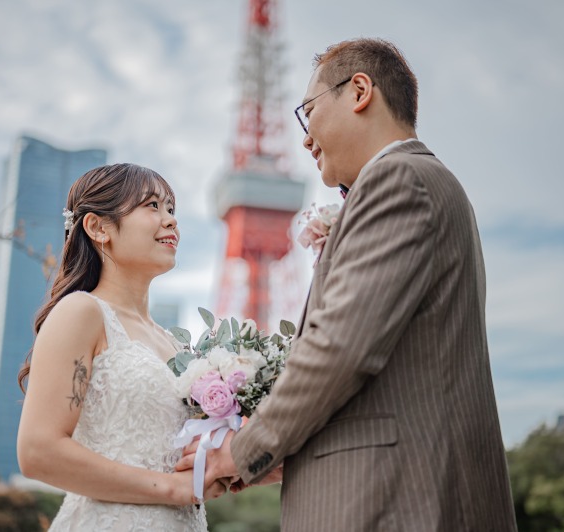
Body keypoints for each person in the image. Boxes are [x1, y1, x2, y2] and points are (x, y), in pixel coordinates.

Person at [180, 38, 518, 530]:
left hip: (396, 505)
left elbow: (340, 347)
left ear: (359, 90)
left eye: (307, 112)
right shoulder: (417, 181)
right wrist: (283, 449)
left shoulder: (400, 180)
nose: (304, 138)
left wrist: (242, 450)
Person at [17, 163, 226, 531]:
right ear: (99, 228)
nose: (171, 221)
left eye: (171, 209)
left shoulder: (175, 343)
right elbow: (38, 451)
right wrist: (172, 490)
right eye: (152, 206)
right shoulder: (82, 312)